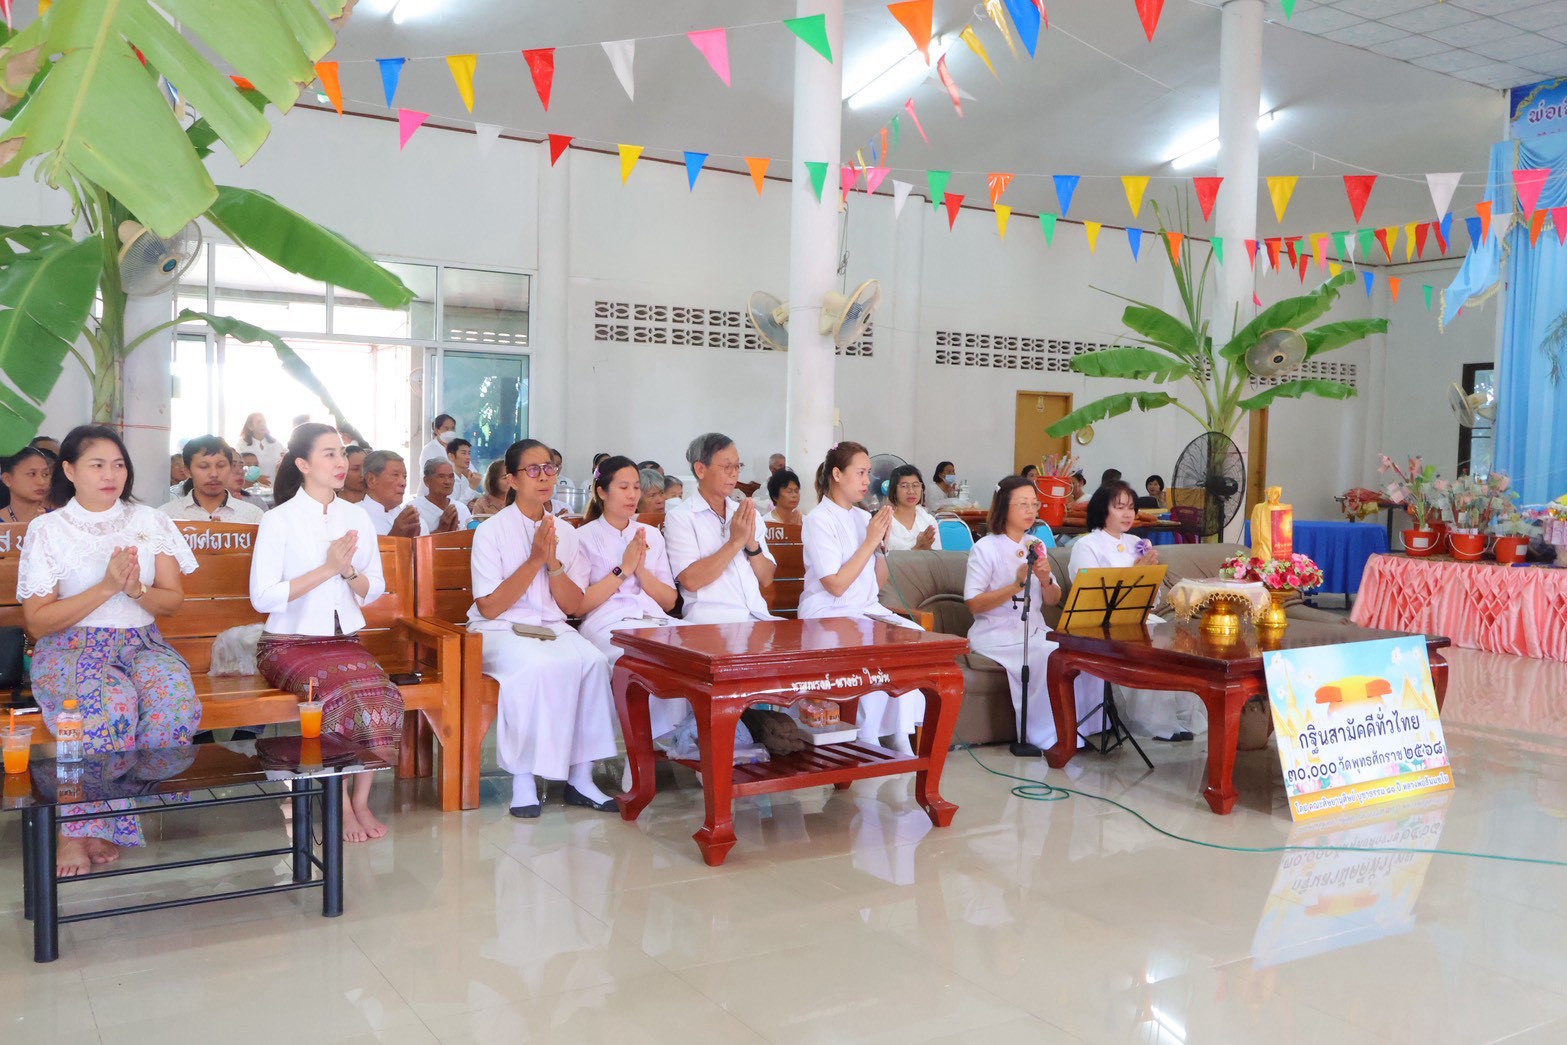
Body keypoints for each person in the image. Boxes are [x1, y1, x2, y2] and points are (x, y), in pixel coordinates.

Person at [19, 425, 200, 876]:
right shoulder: (48, 529)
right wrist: (105, 587)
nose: (111, 474)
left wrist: (137, 590)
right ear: (70, 471)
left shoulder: (151, 521)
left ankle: (113, 815)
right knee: (105, 707)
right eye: (97, 464)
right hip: (72, 648)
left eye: (118, 464)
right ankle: (74, 828)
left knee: (173, 705)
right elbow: (38, 621)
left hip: (142, 645)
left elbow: (172, 601)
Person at [250, 423, 402, 842]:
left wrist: (349, 570)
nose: (341, 463)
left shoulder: (356, 517)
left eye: (342, 453)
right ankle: (336, 799)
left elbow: (371, 592)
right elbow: (263, 598)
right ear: (302, 464)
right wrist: (328, 568)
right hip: (288, 643)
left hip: (343, 641)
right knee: (341, 696)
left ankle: (360, 801)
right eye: (329, 454)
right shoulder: (278, 520)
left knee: (382, 693)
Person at [467, 439, 619, 818]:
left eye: (549, 468)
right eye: (532, 469)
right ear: (512, 479)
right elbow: (489, 605)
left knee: (593, 662)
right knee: (536, 668)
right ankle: (523, 779)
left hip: (552, 626)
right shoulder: (491, 531)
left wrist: (553, 565)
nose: (544, 476)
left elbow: (571, 606)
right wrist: (535, 558)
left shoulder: (567, 533)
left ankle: (581, 777)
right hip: (499, 628)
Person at [799, 442, 924, 752]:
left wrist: (882, 545)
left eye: (869, 473)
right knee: (872, 647)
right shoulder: (818, 519)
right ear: (838, 475)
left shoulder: (860, 516)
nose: (868, 480)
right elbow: (836, 586)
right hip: (829, 611)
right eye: (860, 473)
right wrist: (869, 542)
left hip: (864, 609)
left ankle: (900, 732)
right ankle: (867, 734)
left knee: (915, 638)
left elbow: (875, 584)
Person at [1069, 480, 1203, 742]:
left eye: (1131, 507)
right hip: (1103, 622)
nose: (1127, 513)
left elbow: (1152, 599)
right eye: (1119, 507)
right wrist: (1138, 571)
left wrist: (1149, 576)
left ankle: (1182, 718)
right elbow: (1094, 596)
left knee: (1179, 641)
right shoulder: (1086, 546)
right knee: (1150, 645)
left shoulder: (1137, 542)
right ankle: (1156, 724)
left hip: (1139, 616)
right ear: (1102, 510)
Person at [568, 455, 686, 743]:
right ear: (601, 492)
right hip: (608, 624)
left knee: (692, 654)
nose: (633, 494)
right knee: (638, 663)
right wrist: (623, 570)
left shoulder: (650, 536)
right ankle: (643, 748)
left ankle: (682, 742)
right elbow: (580, 604)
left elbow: (670, 601)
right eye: (623, 487)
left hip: (654, 619)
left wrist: (641, 569)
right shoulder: (582, 538)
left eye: (636, 487)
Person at [963, 476, 1074, 751]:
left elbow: (1053, 599)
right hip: (995, 634)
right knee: (1044, 656)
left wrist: (1046, 578)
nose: (1030, 511)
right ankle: (1044, 736)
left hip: (1035, 629)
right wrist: (1016, 585)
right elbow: (974, 603)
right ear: (1004, 507)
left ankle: (1077, 730)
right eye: (1022, 504)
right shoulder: (984, 548)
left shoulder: (1036, 543)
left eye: (1034, 504)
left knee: (1075, 655)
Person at [664, 432, 777, 625]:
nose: (734, 473)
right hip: (711, 623)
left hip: (758, 617)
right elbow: (690, 581)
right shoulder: (681, 518)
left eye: (737, 466)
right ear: (700, 469)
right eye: (726, 466)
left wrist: (751, 544)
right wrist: (735, 542)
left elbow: (766, 578)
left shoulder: (745, 513)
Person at [161, 436, 263, 523]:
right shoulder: (167, 516)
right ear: (188, 471)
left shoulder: (253, 516)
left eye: (221, 465)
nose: (214, 474)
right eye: (204, 466)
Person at [360, 450, 424, 537]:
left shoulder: (415, 521)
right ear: (371, 480)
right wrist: (395, 536)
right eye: (395, 475)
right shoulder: (352, 517)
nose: (403, 483)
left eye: (404, 476)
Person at [885, 464, 941, 552]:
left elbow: (938, 558)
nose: (911, 491)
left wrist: (928, 548)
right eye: (904, 486)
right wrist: (917, 549)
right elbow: (883, 560)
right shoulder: (885, 523)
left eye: (915, 485)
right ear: (894, 490)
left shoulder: (929, 521)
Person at [413, 458, 471, 534]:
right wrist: (441, 529)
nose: (447, 482)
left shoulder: (461, 508)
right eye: (441, 476)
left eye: (451, 476)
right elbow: (410, 544)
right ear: (427, 481)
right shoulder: (414, 509)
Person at [0, 445, 54, 524]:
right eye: (32, 474)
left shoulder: (60, 520)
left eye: (45, 474)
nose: (42, 481)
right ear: (7, 479)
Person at [236, 413, 284, 480]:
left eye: (264, 422)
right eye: (259, 422)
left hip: (275, 487)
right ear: (250, 426)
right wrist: (256, 479)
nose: (263, 424)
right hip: (251, 488)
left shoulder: (276, 444)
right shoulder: (242, 445)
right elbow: (237, 468)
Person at [447, 438, 479, 504]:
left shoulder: (465, 479)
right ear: (451, 456)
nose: (468, 457)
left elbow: (473, 496)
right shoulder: (448, 480)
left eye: (469, 453)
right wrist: (472, 487)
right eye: (464, 453)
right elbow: (453, 508)